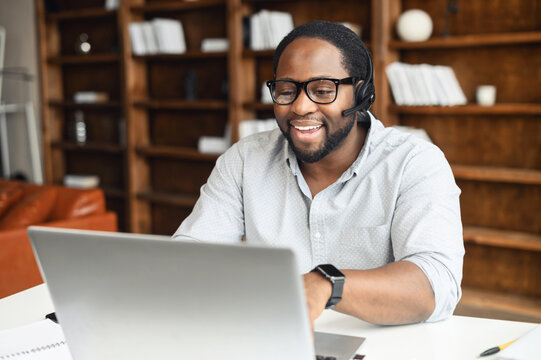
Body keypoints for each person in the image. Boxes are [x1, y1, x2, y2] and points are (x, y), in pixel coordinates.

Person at [173, 20, 464, 329]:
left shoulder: (415, 163)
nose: (299, 106)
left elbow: (436, 284)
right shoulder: (246, 160)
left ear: (362, 94)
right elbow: (188, 259)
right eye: (286, 91)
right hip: (274, 338)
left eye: (323, 91)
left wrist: (326, 284)